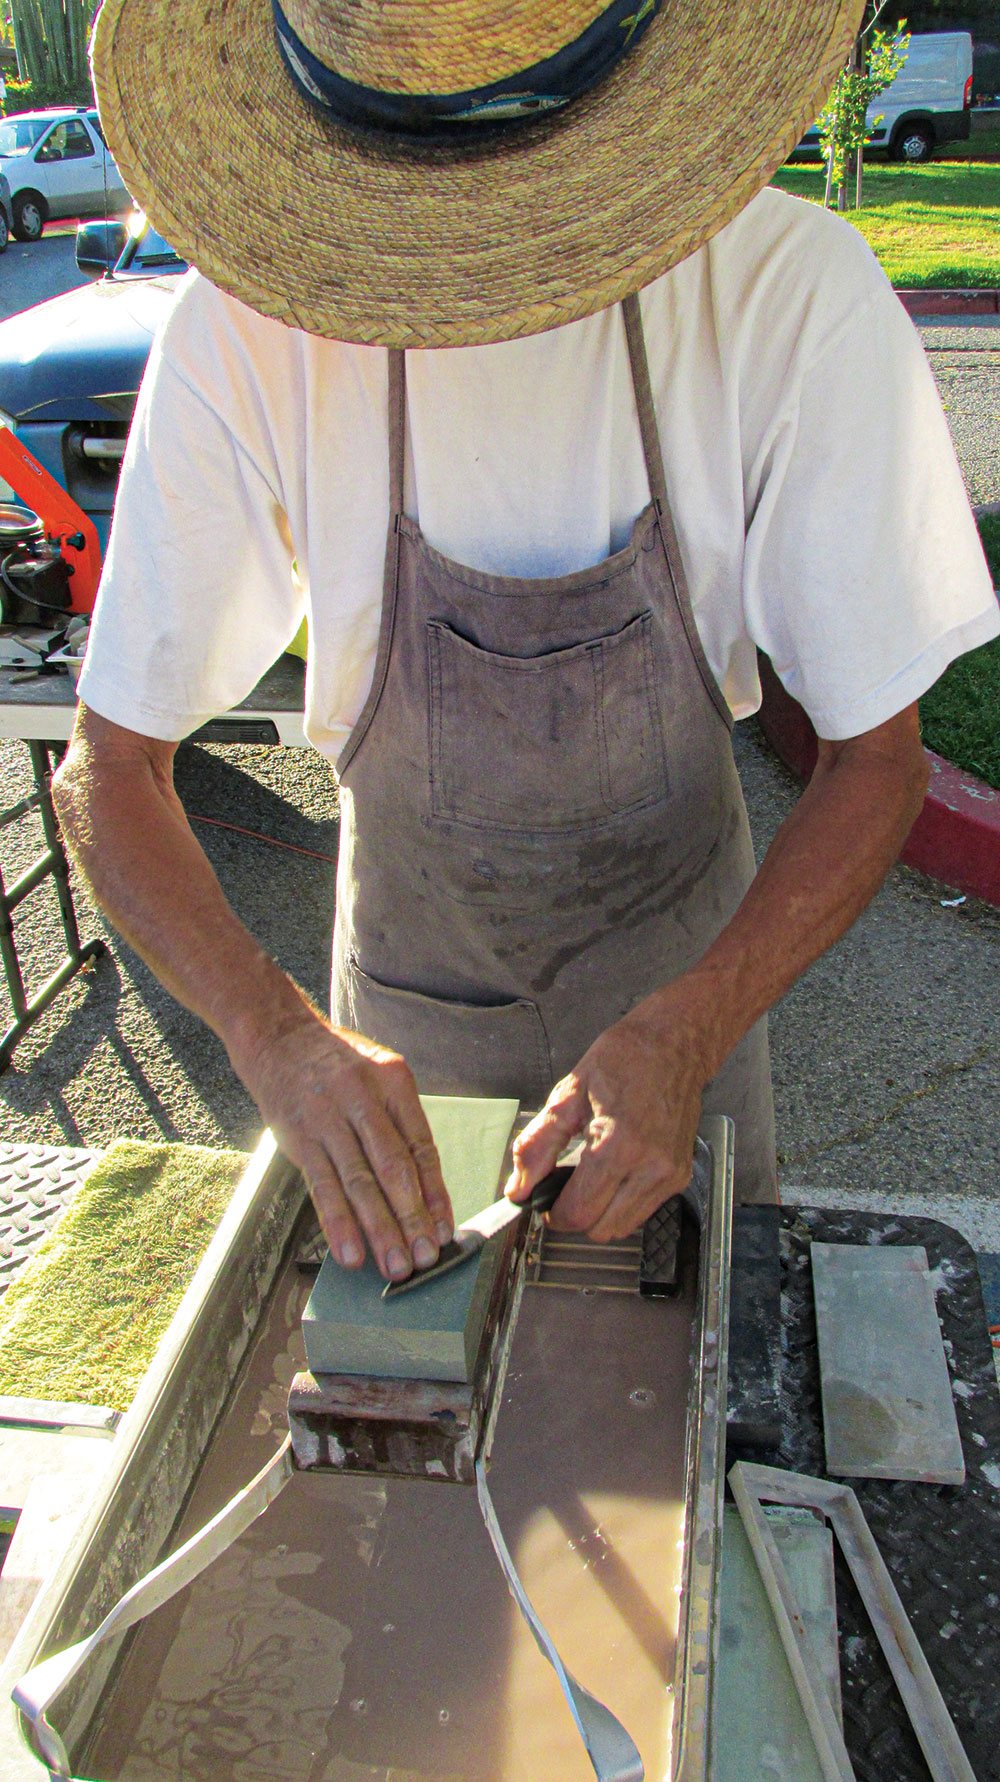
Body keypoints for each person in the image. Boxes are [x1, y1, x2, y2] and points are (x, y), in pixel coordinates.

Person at [55, 0, 997, 1287]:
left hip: (687, 1000)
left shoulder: (790, 294)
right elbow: (110, 770)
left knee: (683, 1393)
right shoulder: (249, 329)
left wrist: (691, 1025)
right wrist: (275, 1037)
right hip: (404, 1015)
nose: (478, 277)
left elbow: (877, 759)